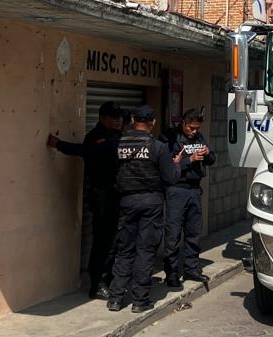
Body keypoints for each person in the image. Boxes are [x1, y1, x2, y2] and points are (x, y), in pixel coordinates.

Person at [107, 105, 205, 313]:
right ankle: (139, 300)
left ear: (133, 120)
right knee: (145, 250)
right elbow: (171, 177)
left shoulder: (119, 142)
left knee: (124, 249)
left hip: (126, 201)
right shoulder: (158, 147)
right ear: (152, 123)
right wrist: (176, 164)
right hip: (151, 202)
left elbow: (111, 171)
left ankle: (115, 298)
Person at [47, 103, 122, 299]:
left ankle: (108, 279)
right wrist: (59, 144)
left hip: (115, 197)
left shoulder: (118, 135)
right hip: (101, 197)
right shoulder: (96, 137)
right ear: (103, 118)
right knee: (102, 242)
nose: (118, 121)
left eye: (120, 117)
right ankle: (97, 284)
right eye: (114, 117)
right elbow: (82, 150)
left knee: (114, 242)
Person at [163, 109, 216, 289]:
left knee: (193, 233)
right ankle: (171, 274)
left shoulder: (200, 138)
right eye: (191, 128)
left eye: (197, 128)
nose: (194, 131)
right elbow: (168, 166)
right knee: (173, 235)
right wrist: (189, 159)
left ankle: (191, 269)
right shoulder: (172, 138)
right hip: (177, 190)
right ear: (183, 123)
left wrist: (207, 154)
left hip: (194, 190)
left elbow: (212, 160)